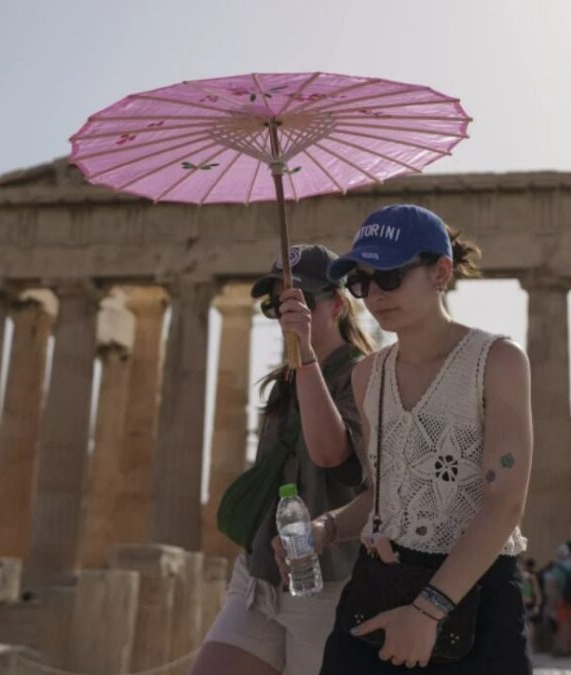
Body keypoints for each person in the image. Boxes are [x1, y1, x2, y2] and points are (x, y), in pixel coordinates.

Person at [301, 204, 534, 673]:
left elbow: (504, 502)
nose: (375, 296)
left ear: (440, 272)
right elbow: (385, 492)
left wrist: (428, 611)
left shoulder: (498, 362)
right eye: (362, 283)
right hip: (381, 586)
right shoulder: (368, 375)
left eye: (389, 276)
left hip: (475, 595)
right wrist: (326, 529)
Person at [190, 245, 374, 675]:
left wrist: (307, 353)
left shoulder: (361, 375)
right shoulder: (283, 383)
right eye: (278, 304)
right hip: (259, 576)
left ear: (337, 305)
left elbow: (331, 455)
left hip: (328, 583)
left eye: (302, 301)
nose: (289, 314)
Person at [521, 558, 544, 653]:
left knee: (528, 625)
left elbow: (536, 593)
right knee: (530, 626)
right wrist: (537, 605)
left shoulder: (524, 577)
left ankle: (527, 646)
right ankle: (529, 647)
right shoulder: (531, 577)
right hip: (528, 604)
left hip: (524, 604)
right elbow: (537, 593)